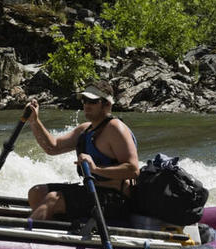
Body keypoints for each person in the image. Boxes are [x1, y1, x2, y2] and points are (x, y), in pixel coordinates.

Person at [26, 80, 139, 221]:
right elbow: (52, 147)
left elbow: (133, 170)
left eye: (92, 101)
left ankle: (29, 235)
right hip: (92, 192)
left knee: (53, 199)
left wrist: (96, 169)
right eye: (84, 100)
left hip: (115, 200)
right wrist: (34, 121)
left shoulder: (116, 128)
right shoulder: (85, 129)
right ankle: (52, 228)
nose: (86, 105)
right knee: (36, 193)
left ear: (107, 104)